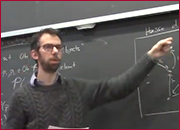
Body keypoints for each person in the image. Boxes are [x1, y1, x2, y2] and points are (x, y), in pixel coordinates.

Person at [6, 28, 173, 129]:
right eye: (48, 47)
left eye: (58, 47)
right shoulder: (21, 98)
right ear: (35, 54)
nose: (55, 51)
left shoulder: (77, 90)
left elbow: (122, 86)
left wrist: (151, 57)